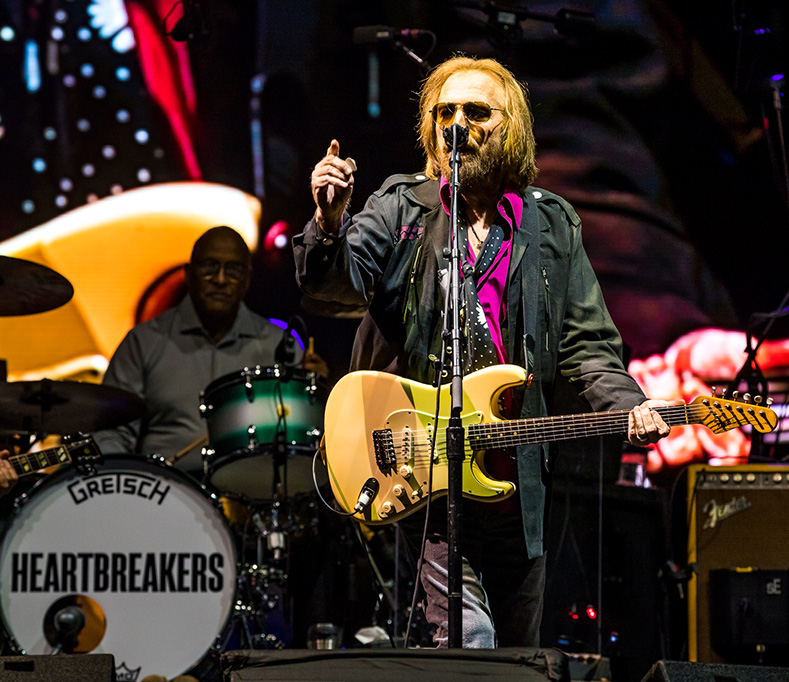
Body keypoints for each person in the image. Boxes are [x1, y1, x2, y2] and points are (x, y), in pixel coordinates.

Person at [295, 55, 678, 648]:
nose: (457, 125)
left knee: (519, 652)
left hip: (516, 479)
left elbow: (588, 343)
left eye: (476, 112)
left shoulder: (550, 224)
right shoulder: (403, 207)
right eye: (445, 112)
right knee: (469, 639)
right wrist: (329, 221)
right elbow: (335, 287)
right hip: (424, 467)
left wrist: (629, 404)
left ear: (512, 127)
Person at [94, 225, 325, 476]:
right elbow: (110, 433)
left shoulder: (279, 345)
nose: (221, 280)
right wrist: (126, 486)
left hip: (252, 490)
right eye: (209, 267)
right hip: (164, 490)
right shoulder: (143, 342)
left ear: (247, 279)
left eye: (233, 270)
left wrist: (321, 395)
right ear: (188, 274)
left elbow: (305, 436)